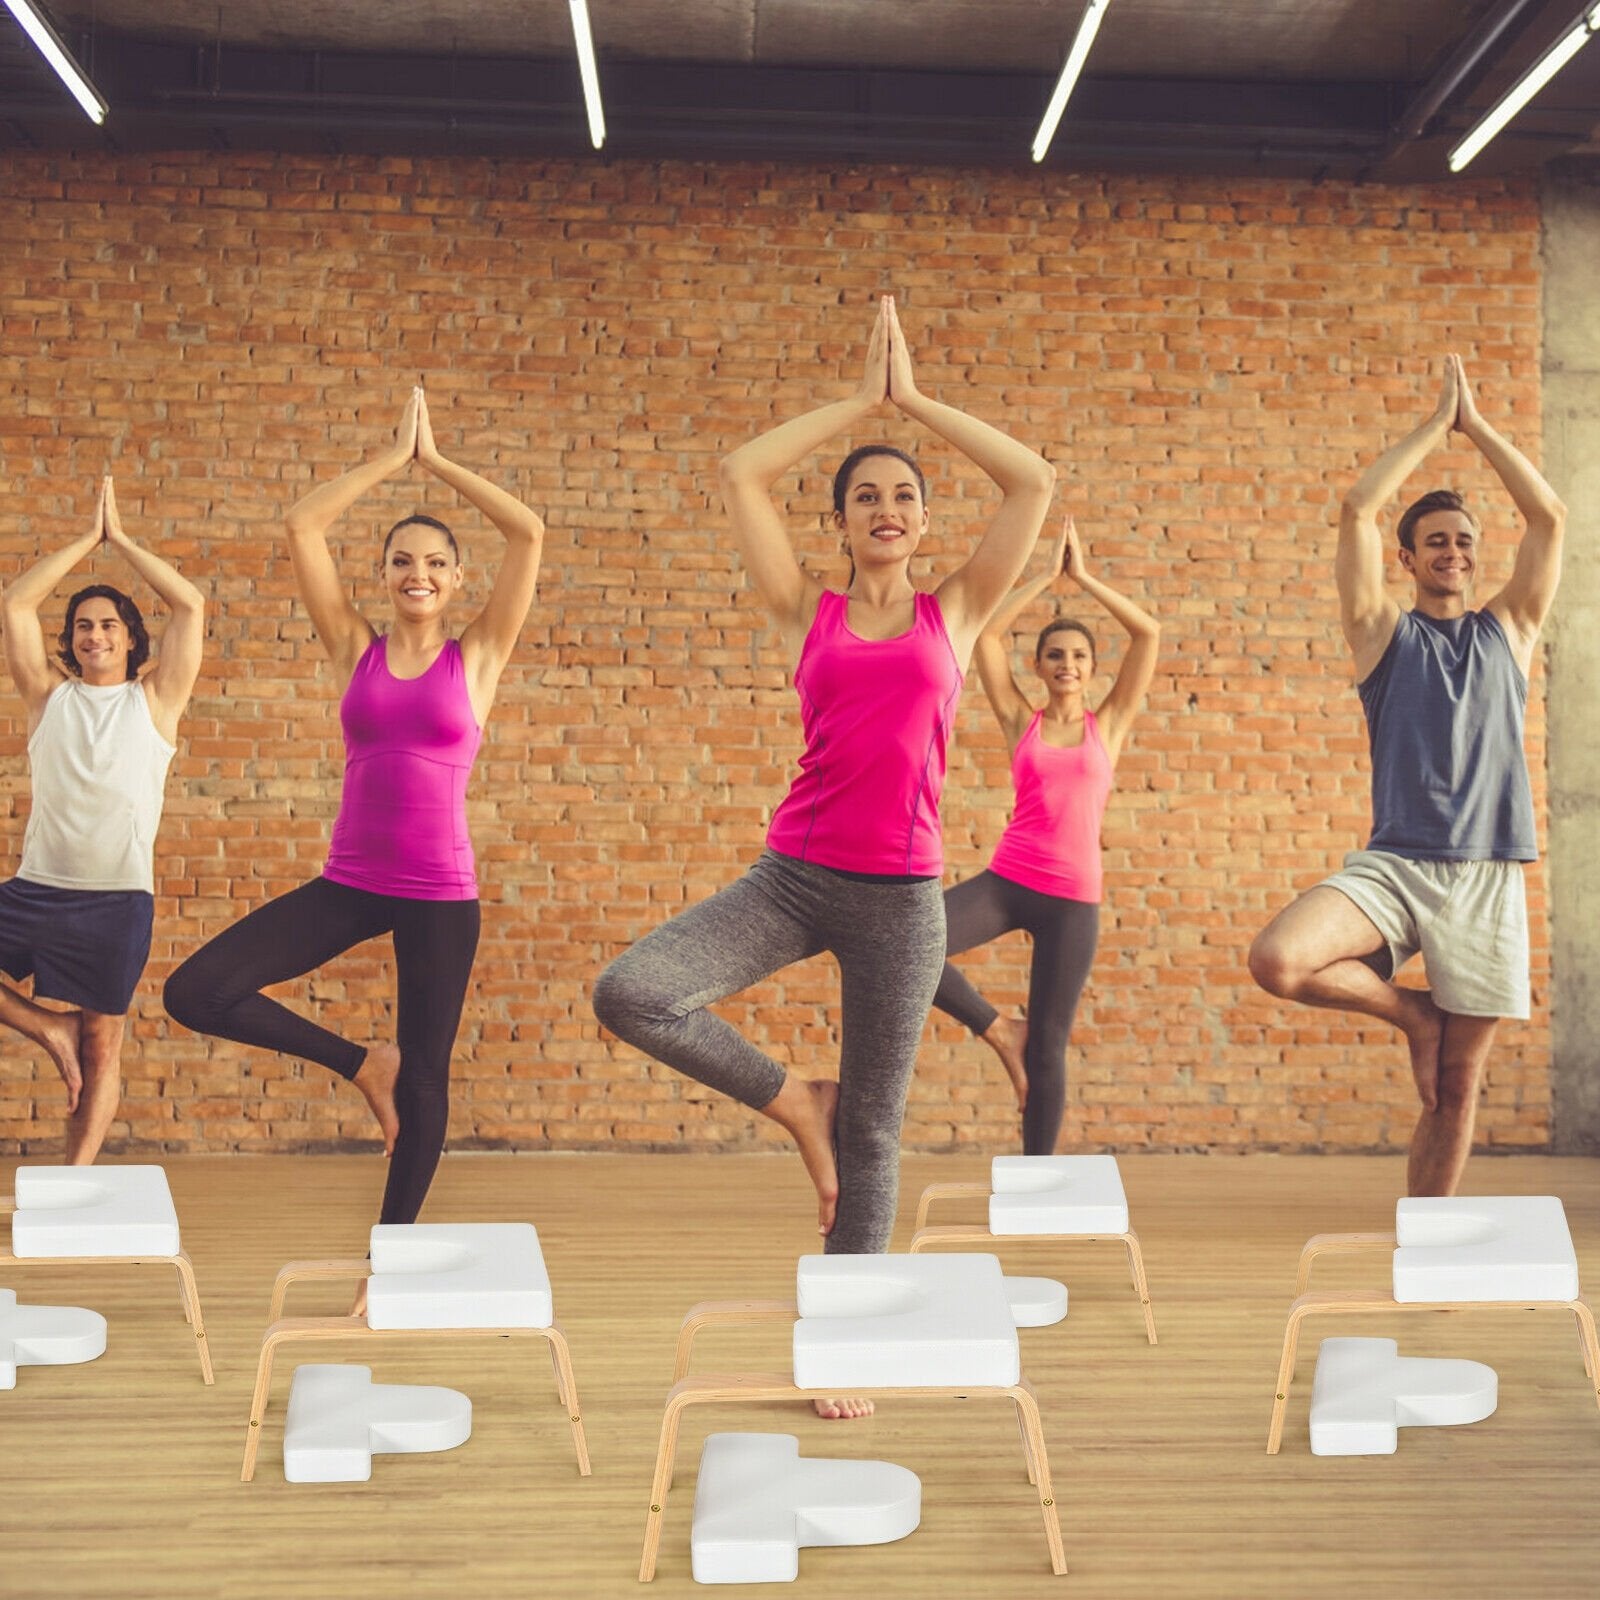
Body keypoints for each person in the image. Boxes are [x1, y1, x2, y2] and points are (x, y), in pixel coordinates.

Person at [593, 296, 1053, 1414]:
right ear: (841, 522)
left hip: (902, 901)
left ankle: (846, 1346)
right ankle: (795, 1101)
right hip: (792, 877)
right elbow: (743, 474)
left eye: (903, 495)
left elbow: (1032, 483)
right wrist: (859, 401)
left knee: (880, 1128)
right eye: (865, 497)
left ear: (923, 520)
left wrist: (919, 403)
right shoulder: (807, 608)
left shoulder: (960, 610)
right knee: (634, 991)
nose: (886, 509)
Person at [164, 388, 543, 1226]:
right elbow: (302, 526)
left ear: (455, 579)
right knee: (196, 992)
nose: (418, 574)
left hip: (441, 894)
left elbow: (528, 534)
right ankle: (360, 1063)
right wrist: (390, 462)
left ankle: (392, 1250)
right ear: (382, 573)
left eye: (436, 563)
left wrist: (437, 460)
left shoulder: (478, 655)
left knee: (430, 1077)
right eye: (402, 560)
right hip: (352, 881)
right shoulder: (354, 649)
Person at [1248, 355, 1564, 1196]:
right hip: (1397, 864)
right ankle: (1410, 1012)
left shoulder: (1511, 630)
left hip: (1488, 875)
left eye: (1464, 542)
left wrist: (1480, 428)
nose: (1453, 553)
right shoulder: (1383, 635)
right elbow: (1356, 507)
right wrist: (1434, 426)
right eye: (1436, 542)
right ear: (1410, 557)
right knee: (1279, 959)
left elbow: (1549, 517)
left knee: (1455, 1088)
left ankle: (1421, 1241)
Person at [931, 513, 1159, 1153]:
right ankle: (1001, 1030)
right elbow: (987, 634)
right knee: (912, 942)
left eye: (1079, 656)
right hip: (1010, 880)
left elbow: (1148, 633)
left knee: (1053, 1044)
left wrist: (1083, 579)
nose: (1067, 664)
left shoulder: (1108, 724)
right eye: (1055, 654)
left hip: (1074, 900)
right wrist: (1043, 579)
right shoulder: (1019, 720)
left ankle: (1036, 1173)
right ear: (1038, 664)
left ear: (1091, 669)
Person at [1, 477, 204, 1161]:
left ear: (130, 639)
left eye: (108, 624)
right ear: (71, 641)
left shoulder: (157, 701)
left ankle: (74, 1180)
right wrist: (86, 541)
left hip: (117, 902)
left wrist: (123, 542)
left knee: (102, 1044)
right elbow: (17, 601)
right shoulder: (45, 696)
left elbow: (190, 603)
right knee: (71, 1036)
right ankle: (45, 1029)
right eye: (83, 625)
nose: (94, 635)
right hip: (37, 889)